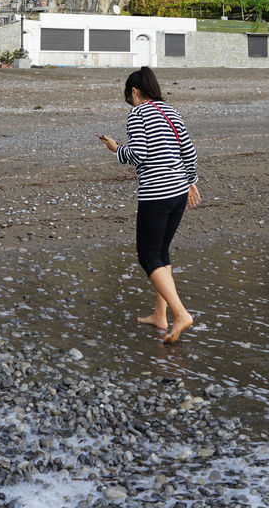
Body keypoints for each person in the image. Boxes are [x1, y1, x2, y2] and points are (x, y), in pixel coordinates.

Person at [99, 66, 200, 344]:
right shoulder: (172, 112)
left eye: (128, 96)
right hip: (179, 189)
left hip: (156, 193)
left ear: (134, 91)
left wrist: (116, 149)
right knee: (161, 252)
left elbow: (139, 154)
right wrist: (191, 181)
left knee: (147, 255)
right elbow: (188, 151)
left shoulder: (138, 113)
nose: (129, 102)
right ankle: (160, 314)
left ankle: (181, 314)